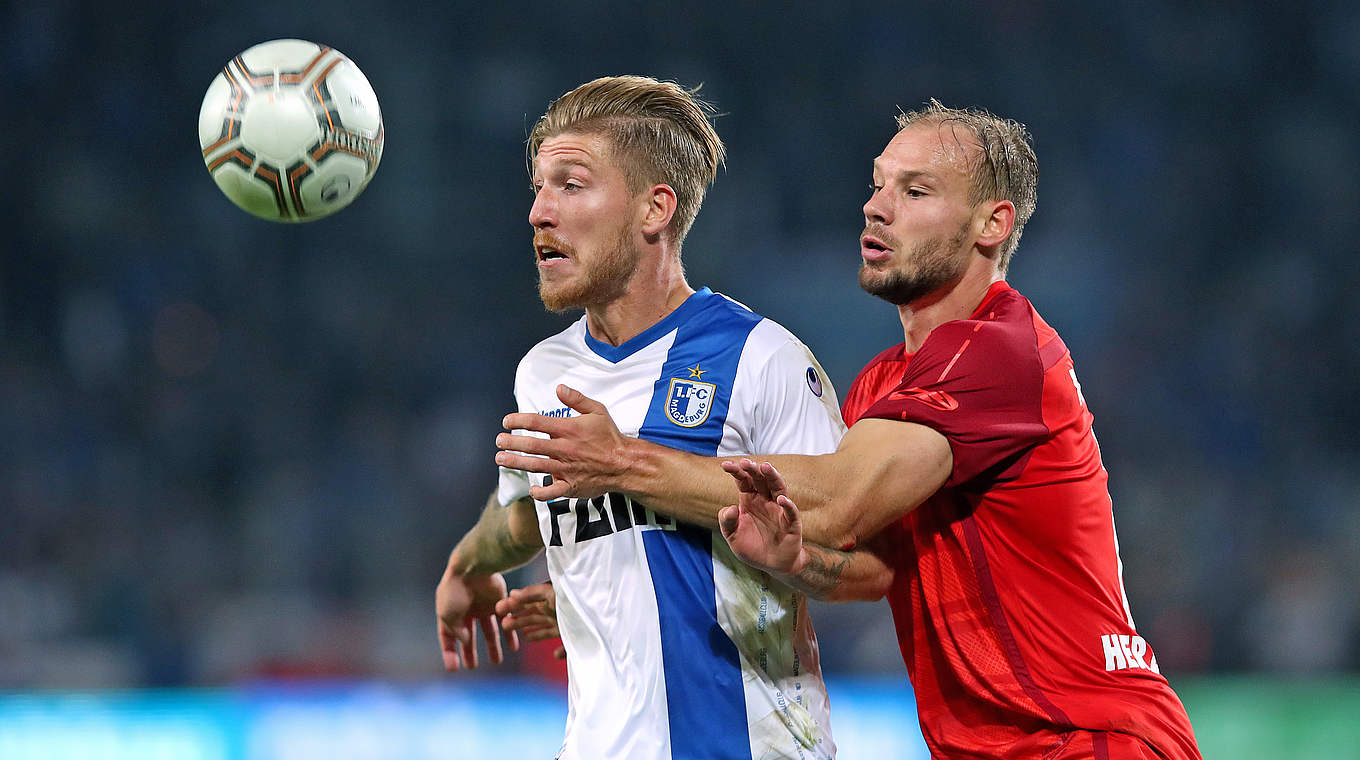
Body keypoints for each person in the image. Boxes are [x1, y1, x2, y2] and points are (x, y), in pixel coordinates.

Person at [494, 100, 1203, 759]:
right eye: (878, 185)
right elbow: (873, 569)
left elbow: (837, 499)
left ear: (992, 224)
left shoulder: (998, 349)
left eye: (915, 193)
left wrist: (622, 463)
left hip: (1090, 735)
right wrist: (787, 560)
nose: (877, 207)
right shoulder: (883, 386)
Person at [436, 75, 846, 760]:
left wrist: (795, 563)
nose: (540, 211)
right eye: (538, 188)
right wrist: (466, 566)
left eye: (571, 185)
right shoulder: (542, 372)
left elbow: (869, 560)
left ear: (655, 210)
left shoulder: (762, 359)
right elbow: (522, 511)